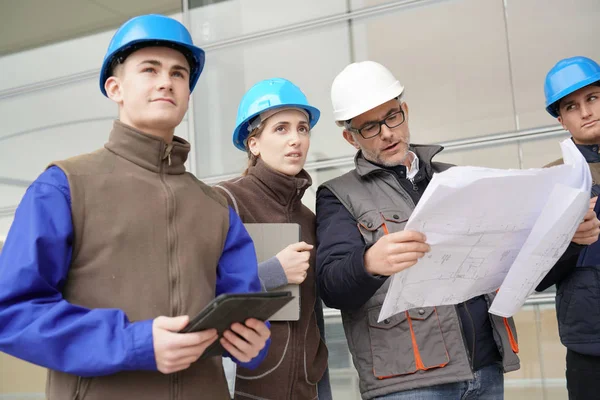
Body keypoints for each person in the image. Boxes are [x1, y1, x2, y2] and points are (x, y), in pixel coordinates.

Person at [0, 14, 270, 400]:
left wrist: (251, 343)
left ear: (188, 95)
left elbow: (242, 310)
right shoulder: (63, 187)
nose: (166, 81)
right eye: (150, 69)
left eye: (178, 74)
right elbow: (11, 313)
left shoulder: (215, 207)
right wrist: (132, 342)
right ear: (115, 88)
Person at [315, 60, 522, 400]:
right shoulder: (338, 196)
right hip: (409, 381)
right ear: (349, 137)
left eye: (392, 117)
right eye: (369, 127)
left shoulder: (454, 178)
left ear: (405, 111)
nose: (386, 132)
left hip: (486, 366)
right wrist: (368, 263)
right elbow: (332, 286)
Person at [214, 78, 330, 400]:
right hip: (244, 392)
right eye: (281, 129)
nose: (296, 139)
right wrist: (274, 272)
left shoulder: (309, 219)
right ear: (254, 143)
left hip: (306, 390)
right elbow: (199, 295)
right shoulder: (224, 201)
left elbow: (313, 319)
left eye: (303, 128)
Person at [536, 55, 600, 400]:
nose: (586, 112)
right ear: (561, 119)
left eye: (592, 98)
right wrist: (571, 242)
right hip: (590, 350)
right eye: (572, 106)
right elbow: (538, 276)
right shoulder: (552, 180)